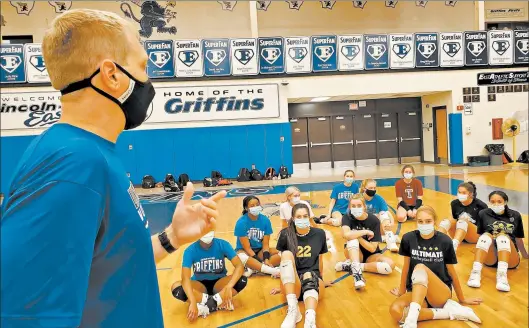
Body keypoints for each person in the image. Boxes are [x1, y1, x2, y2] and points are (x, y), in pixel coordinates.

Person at [0, 9, 227, 328]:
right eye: (143, 66)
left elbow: (111, 267)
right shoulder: (70, 164)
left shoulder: (91, 154)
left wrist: (172, 237)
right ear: (112, 75)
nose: (148, 80)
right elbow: (27, 317)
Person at [389, 206, 482, 328]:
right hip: (417, 290)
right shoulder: (408, 238)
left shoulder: (444, 241)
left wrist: (462, 298)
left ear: (434, 222)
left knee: (420, 267)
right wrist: (402, 291)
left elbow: (452, 272)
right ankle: (449, 312)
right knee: (396, 311)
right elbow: (406, 267)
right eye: (420, 221)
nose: (424, 224)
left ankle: (411, 321)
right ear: (416, 222)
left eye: (428, 221)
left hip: (440, 293)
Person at [274, 203, 332, 328]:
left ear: (309, 217)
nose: (302, 219)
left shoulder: (319, 233)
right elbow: (284, 264)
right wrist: (283, 284)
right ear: (293, 219)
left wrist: (322, 280)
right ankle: (293, 311)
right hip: (293, 288)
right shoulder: (285, 234)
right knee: (286, 254)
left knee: (309, 274)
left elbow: (320, 260)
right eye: (298, 217)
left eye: (305, 216)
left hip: (313, 283)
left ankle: (310, 320)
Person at [171, 231, 247, 321]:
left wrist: (229, 286)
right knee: (176, 288)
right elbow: (185, 278)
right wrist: (192, 301)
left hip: (219, 283)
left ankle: (205, 306)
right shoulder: (190, 250)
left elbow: (239, 266)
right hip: (200, 285)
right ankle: (218, 302)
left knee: (241, 280)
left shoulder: (223, 244)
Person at [467, 191, 528, 292]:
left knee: (502, 237)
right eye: (493, 201)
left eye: (499, 201)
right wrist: (478, 252)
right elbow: (479, 235)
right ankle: (475, 273)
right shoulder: (483, 213)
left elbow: (518, 238)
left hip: (510, 259)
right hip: (491, 256)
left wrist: (525, 254)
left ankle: (502, 277)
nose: (496, 204)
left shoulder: (515, 215)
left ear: (505, 202)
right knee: (486, 236)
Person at [335, 194, 395, 289]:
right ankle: (357, 275)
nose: (356, 208)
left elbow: (372, 248)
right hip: (353, 251)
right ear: (349, 207)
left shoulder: (374, 220)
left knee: (389, 265)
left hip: (371, 254)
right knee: (352, 239)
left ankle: (353, 266)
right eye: (353, 206)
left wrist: (357, 235)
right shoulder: (346, 218)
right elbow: (346, 235)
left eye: (359, 205)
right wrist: (365, 232)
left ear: (364, 206)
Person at [234, 196, 281, 277]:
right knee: (241, 257)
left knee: (282, 253)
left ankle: (253, 268)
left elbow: (265, 244)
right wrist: (259, 261)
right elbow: (247, 248)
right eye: (252, 206)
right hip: (245, 251)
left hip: (260, 250)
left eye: (257, 204)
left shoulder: (265, 220)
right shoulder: (241, 223)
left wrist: (266, 259)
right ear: (246, 208)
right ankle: (271, 270)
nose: (255, 207)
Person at [436, 182, 488, 252]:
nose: (460, 195)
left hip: (474, 235)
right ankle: (436, 242)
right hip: (459, 234)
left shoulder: (481, 205)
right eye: (459, 192)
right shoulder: (454, 203)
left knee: (462, 221)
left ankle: (454, 246)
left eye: (464, 193)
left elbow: (484, 227)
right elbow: (454, 220)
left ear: (471, 194)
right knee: (447, 221)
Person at [360, 179, 398, 252]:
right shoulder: (359, 198)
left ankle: (391, 241)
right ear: (364, 188)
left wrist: (392, 223)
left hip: (376, 225)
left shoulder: (379, 198)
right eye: (371, 188)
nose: (373, 190)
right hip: (362, 225)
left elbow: (387, 212)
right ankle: (386, 237)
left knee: (383, 214)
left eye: (374, 188)